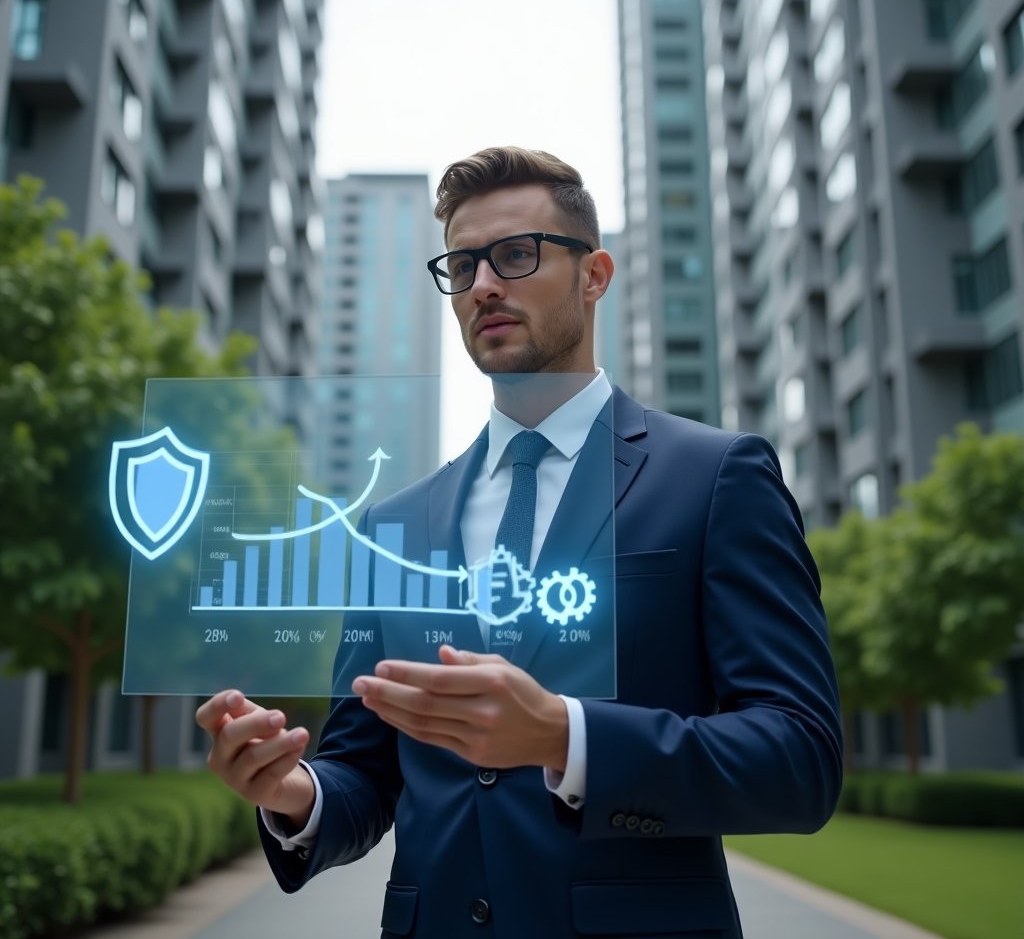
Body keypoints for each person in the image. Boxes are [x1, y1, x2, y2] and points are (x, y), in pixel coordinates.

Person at [197, 146, 843, 938]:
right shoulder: (392, 524)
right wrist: (294, 792)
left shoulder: (714, 478)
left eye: (515, 255)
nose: (483, 285)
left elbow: (800, 757)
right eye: (462, 265)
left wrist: (566, 737)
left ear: (594, 275)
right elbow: (365, 770)